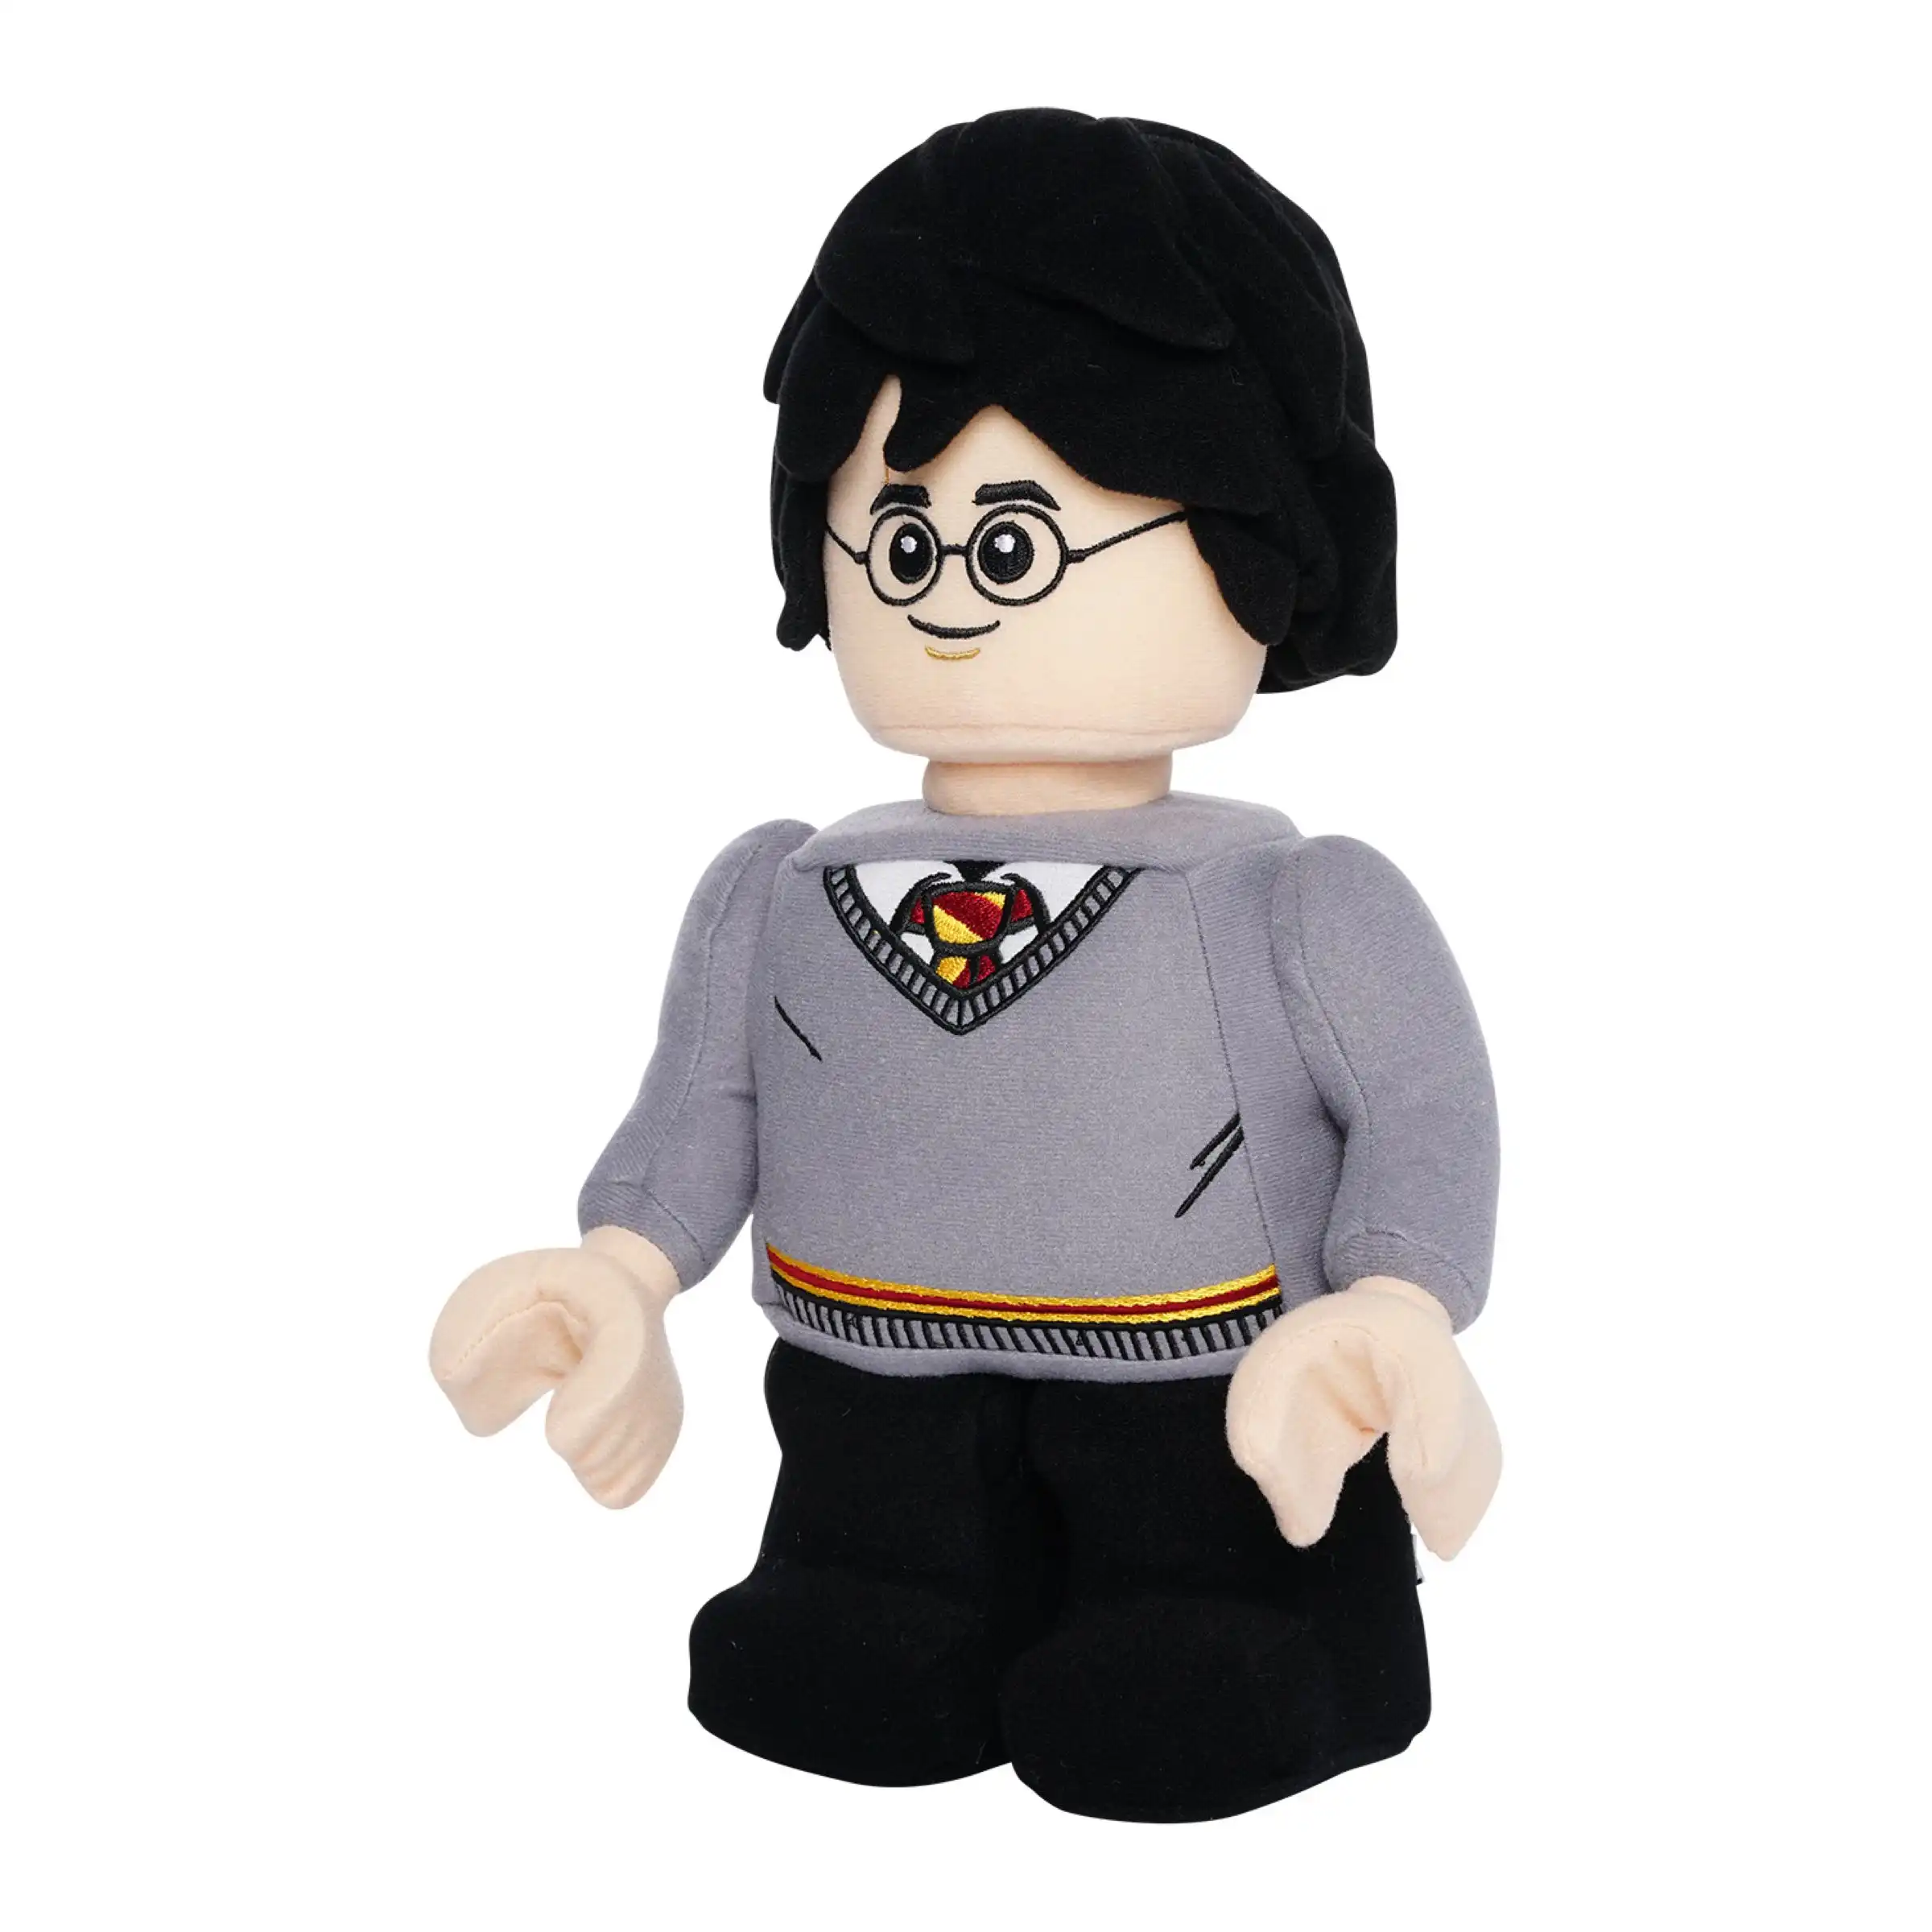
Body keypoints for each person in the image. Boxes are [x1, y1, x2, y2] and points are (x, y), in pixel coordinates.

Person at [430, 108, 1502, 1823]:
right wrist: (621, 1274)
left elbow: (1424, 1113)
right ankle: (895, 1605)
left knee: (1203, 1624)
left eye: (1016, 544)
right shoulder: (782, 884)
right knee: (852, 1629)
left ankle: (1277, 1627)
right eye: (901, 540)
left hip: (1206, 1401)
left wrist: (1393, 1305)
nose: (944, 599)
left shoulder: (1293, 902)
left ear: (1264, 540)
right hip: (865, 1397)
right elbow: (706, 1111)